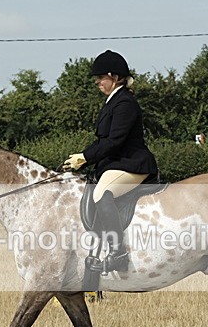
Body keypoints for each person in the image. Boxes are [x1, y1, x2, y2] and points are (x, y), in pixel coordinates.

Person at [63, 50, 159, 272]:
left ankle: (118, 254)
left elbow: (115, 141)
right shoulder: (112, 101)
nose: (97, 82)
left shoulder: (125, 102)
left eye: (101, 78)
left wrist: (86, 157)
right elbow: (102, 141)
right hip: (118, 163)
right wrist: (81, 158)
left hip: (133, 163)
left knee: (101, 193)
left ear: (114, 77)